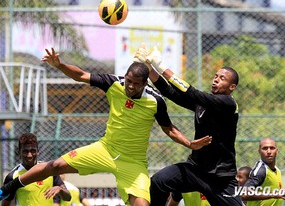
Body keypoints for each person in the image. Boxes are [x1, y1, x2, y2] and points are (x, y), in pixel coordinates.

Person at [0, 47, 212, 206]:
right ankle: (8, 187)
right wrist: (60, 65)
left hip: (133, 162)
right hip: (104, 149)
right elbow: (81, 75)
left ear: (144, 84)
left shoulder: (155, 102)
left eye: (135, 83)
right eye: (128, 80)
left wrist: (189, 143)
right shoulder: (114, 84)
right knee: (55, 166)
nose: (129, 86)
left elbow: (170, 129)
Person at [134, 45, 242, 205]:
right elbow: (172, 93)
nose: (216, 79)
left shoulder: (227, 103)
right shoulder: (204, 104)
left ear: (232, 87)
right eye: (216, 76)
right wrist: (149, 70)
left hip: (220, 178)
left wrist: (161, 65)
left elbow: (190, 91)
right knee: (158, 181)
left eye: (222, 78)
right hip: (195, 169)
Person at [1, 133, 71, 206]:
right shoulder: (12, 177)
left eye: (33, 151)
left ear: (38, 151)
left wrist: (60, 189)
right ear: (19, 152)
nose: (29, 155)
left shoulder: (49, 169)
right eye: (25, 151)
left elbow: (68, 197)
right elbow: (5, 204)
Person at [242, 138, 285, 206]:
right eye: (265, 148)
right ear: (259, 151)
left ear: (277, 151)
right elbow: (245, 194)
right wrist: (273, 195)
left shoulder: (277, 171)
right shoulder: (261, 171)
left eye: (272, 148)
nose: (269, 151)